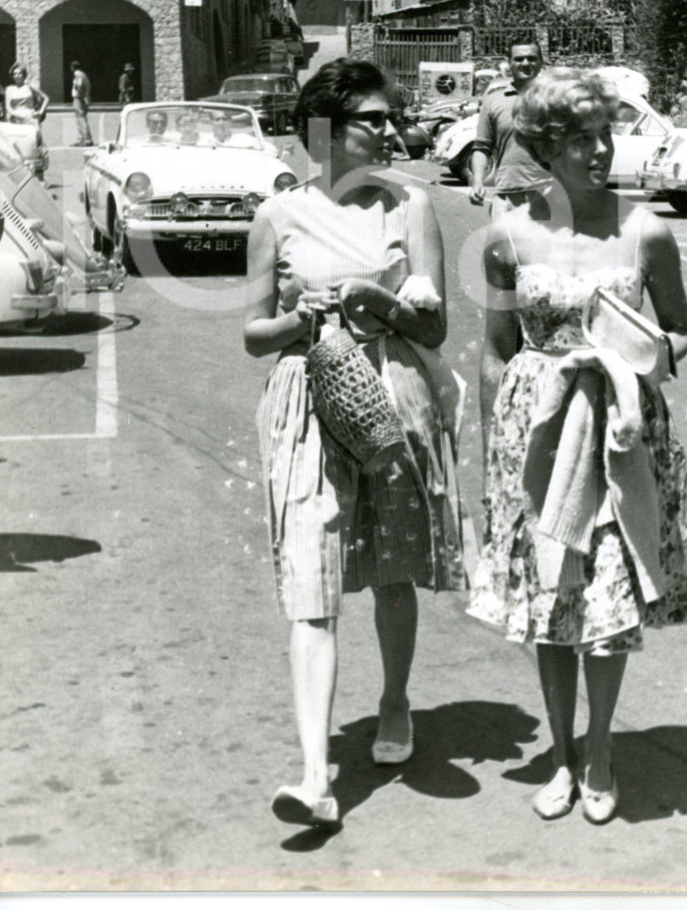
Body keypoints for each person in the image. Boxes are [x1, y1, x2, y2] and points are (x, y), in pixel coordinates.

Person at [469, 68, 687, 825]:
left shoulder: (646, 230)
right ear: (545, 146)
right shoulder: (506, 236)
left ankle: (600, 749)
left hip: (619, 430)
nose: (601, 149)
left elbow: (681, 330)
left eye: (606, 133)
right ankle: (561, 754)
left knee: (605, 598)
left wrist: (634, 355)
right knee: (550, 600)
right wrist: (495, 455)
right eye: (580, 138)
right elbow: (496, 349)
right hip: (538, 430)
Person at [244, 57, 466, 829]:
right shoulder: (278, 216)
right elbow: (253, 332)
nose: (391, 128)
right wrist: (298, 321)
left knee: (391, 568)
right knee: (311, 572)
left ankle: (396, 701)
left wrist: (380, 301)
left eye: (389, 115)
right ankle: (314, 775)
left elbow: (436, 326)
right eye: (374, 117)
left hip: (391, 401)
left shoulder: (413, 206)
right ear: (328, 129)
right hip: (307, 401)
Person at [469, 37, 549, 214]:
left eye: (532, 58)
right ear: (509, 63)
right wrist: (477, 182)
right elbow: (482, 147)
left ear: (541, 62)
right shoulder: (493, 100)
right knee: (503, 243)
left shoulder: (557, 99)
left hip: (549, 196)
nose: (525, 63)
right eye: (519, 59)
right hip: (506, 198)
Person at [70, 61, 93, 147]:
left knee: (81, 119)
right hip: (82, 98)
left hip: (79, 98)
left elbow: (79, 86)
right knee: (81, 118)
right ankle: (82, 139)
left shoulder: (78, 75)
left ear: (73, 67)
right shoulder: (83, 75)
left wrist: (79, 95)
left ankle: (86, 139)